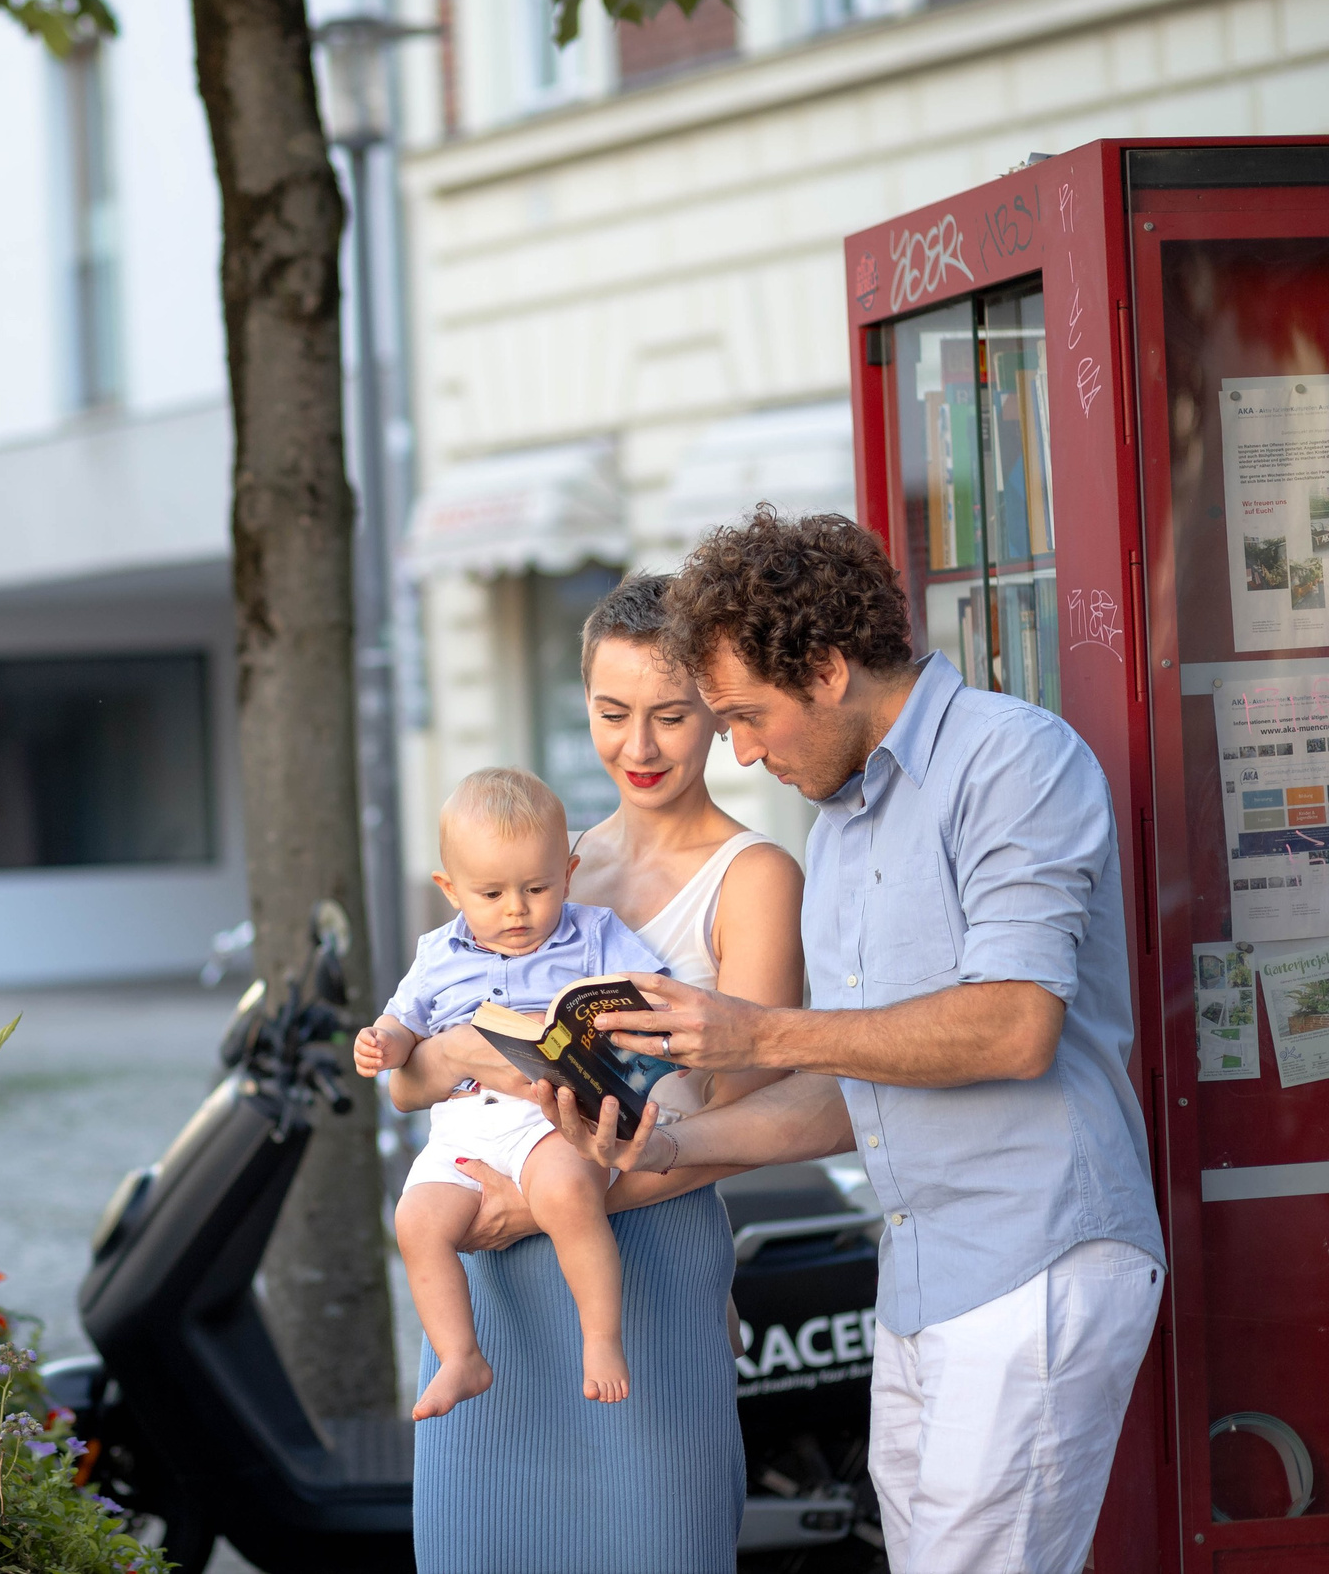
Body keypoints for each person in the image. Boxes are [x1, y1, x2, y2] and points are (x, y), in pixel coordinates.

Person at [538, 511, 1164, 1574]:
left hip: (1038, 1257)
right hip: (921, 1270)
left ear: (826, 670)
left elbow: (1015, 1026)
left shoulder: (1012, 760)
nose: (736, 749)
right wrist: (665, 1149)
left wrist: (758, 1029)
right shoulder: (837, 828)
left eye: (744, 715)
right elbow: (855, 1082)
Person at [384, 571, 805, 1572]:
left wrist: (538, 1206)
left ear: (715, 708)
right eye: (612, 713)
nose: (639, 746)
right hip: (488, 1280)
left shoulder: (753, 878)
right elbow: (411, 1068)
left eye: (670, 714)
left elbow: (740, 1124)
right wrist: (440, 1057)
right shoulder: (540, 862)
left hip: (640, 1264)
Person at [355, 767, 673, 1415]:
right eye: (491, 892)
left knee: (567, 1191)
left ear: (569, 870)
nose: (517, 909)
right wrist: (383, 1042)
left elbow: (655, 994)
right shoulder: (437, 952)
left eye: (537, 887)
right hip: (463, 1125)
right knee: (416, 1221)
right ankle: (460, 1356)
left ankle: (602, 1337)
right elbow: (403, 1021)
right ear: (449, 888)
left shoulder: (593, 932)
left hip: (548, 1116)